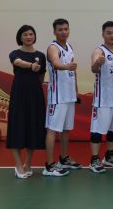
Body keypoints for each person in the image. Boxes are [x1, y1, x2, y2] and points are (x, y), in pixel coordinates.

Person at [7, 25, 47, 179]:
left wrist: (34, 84)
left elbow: (41, 77)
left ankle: (28, 164)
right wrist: (31, 66)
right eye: (25, 34)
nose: (29, 37)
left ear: (34, 36)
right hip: (19, 95)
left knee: (33, 128)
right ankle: (18, 166)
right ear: (20, 37)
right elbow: (17, 62)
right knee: (17, 127)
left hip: (35, 95)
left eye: (31, 34)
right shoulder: (15, 53)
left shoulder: (41, 55)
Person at [44, 19, 79, 177]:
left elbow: (73, 71)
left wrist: (76, 91)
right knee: (52, 130)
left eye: (66, 29)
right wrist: (67, 67)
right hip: (57, 96)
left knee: (66, 130)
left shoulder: (69, 47)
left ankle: (63, 159)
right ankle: (49, 166)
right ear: (54, 32)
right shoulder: (53, 47)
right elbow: (56, 63)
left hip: (69, 95)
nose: (64, 32)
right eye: (60, 30)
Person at [89, 21, 113, 173]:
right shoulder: (99, 51)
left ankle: (109, 156)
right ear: (103, 34)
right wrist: (98, 62)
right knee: (97, 129)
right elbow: (93, 68)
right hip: (102, 100)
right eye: (109, 33)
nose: (112, 35)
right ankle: (94, 159)